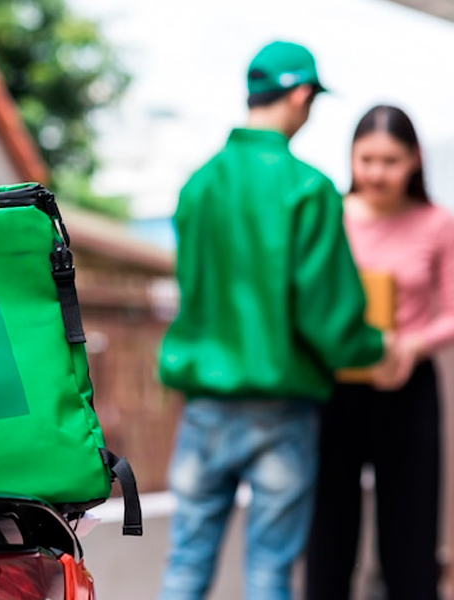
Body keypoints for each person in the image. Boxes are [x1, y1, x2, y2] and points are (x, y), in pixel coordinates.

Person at [158, 41, 392, 600]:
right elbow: (327, 316)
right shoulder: (308, 188)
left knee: (186, 563)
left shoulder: (198, 186)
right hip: (282, 408)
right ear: (301, 94)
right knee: (269, 570)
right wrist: (374, 347)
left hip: (205, 404)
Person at [305, 105, 454, 600]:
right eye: (366, 159)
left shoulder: (437, 223)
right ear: (350, 157)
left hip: (408, 389)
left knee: (411, 539)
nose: (376, 173)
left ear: (414, 159)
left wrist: (413, 345)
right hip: (335, 389)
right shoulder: (330, 216)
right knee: (328, 537)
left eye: (390, 161)